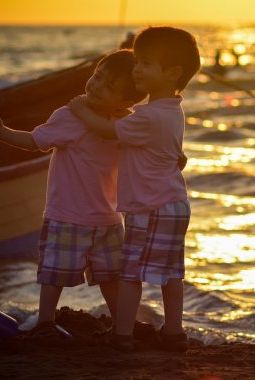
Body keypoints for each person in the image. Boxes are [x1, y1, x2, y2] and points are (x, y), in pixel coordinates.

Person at [0, 50, 147, 338]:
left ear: (127, 101)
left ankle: (121, 323)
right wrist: (1, 131)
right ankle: (45, 322)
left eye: (107, 86)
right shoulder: (68, 116)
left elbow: (144, 154)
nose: (95, 86)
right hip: (67, 215)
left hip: (108, 218)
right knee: (53, 273)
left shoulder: (124, 125)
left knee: (112, 276)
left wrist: (172, 159)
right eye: (96, 77)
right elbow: (34, 141)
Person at [67, 26, 201, 352]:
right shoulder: (172, 110)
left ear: (172, 73)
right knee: (171, 273)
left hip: (149, 207)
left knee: (131, 274)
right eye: (137, 61)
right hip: (174, 203)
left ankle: (122, 335)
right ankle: (173, 332)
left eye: (146, 64)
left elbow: (107, 130)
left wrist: (79, 109)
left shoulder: (147, 117)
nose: (137, 69)